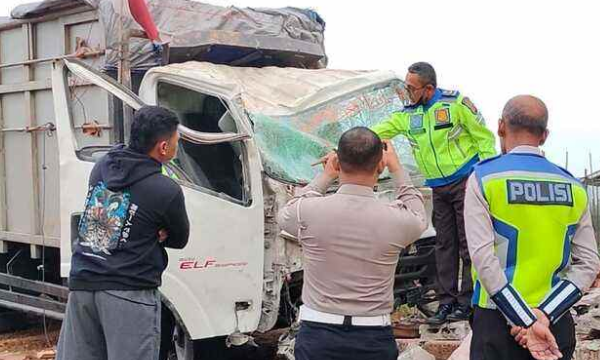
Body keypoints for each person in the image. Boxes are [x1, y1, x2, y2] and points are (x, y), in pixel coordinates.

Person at [465, 95, 600, 360]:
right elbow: (588, 264)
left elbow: (483, 259)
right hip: (555, 323)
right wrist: (542, 315)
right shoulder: (572, 186)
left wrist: (523, 318)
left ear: (501, 127)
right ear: (545, 135)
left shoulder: (484, 178)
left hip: (497, 321)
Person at [278, 127, 427, 360]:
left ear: (338, 162)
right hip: (373, 338)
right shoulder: (397, 219)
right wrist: (396, 168)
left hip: (318, 336)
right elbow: (418, 213)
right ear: (380, 165)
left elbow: (288, 210)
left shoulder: (308, 212)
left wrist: (326, 175)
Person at [57, 106, 190, 360]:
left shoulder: (104, 167)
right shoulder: (165, 190)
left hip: (84, 284)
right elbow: (180, 238)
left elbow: (102, 230)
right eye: (176, 141)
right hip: (129, 291)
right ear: (163, 147)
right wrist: (154, 231)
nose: (177, 145)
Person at [372, 62, 497, 324]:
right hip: (438, 187)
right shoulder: (408, 114)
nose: (406, 92)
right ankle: (446, 303)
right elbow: (376, 132)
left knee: (468, 245)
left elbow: (484, 138)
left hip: (466, 181)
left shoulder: (456, 104)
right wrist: (345, 144)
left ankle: (468, 303)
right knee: (444, 245)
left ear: (428, 88)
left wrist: (482, 177)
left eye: (411, 88)